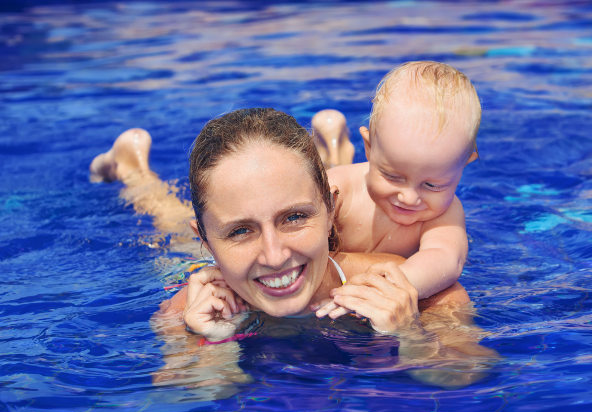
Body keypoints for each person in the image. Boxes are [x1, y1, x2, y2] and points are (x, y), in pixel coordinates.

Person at [92, 107, 495, 389]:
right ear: (209, 241)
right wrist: (212, 348)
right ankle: (133, 170)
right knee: (169, 239)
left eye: (295, 218)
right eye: (240, 231)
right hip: (198, 264)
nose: (274, 255)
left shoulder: (409, 287)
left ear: (332, 208)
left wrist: (412, 334)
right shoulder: (187, 310)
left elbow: (470, 375)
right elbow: (179, 402)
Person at [315, 61, 481, 308]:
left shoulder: (445, 213)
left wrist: (382, 288)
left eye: (432, 185)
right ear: (369, 148)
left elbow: (446, 259)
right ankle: (332, 152)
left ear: (464, 164)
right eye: (393, 176)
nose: (409, 197)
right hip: (337, 182)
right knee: (321, 183)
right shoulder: (343, 189)